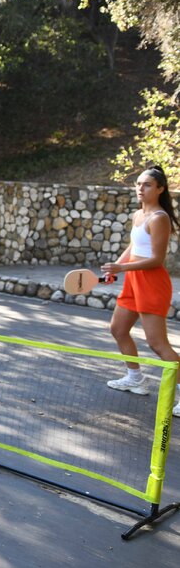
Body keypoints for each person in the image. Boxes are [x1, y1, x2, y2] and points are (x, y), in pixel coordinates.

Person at [101, 165, 180, 417]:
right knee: (118, 329)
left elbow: (156, 259)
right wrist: (116, 268)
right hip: (134, 280)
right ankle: (135, 378)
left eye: (146, 185)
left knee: (158, 344)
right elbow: (134, 246)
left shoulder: (159, 218)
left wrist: (121, 266)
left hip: (152, 282)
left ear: (160, 189)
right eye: (138, 184)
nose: (140, 188)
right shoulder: (138, 215)